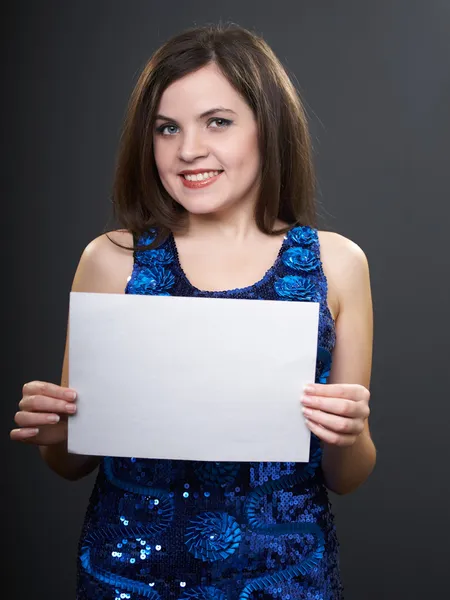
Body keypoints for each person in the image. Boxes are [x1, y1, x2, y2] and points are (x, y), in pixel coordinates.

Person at [10, 23, 375, 600]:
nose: (187, 150)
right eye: (167, 128)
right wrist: (58, 431)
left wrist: (348, 433)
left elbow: (347, 477)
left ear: (267, 129)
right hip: (128, 577)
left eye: (218, 122)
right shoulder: (111, 261)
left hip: (284, 578)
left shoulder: (336, 264)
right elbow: (70, 463)